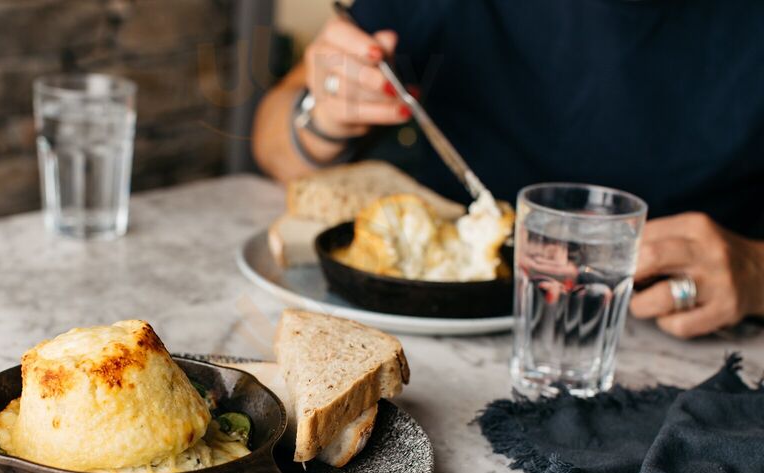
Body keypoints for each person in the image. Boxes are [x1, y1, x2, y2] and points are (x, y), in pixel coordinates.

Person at [251, 1, 764, 339]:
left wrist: (756, 272)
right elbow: (272, 144)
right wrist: (323, 116)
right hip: (427, 320)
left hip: (693, 345)